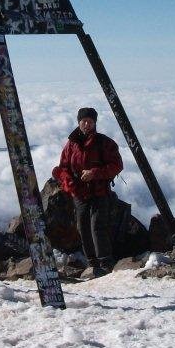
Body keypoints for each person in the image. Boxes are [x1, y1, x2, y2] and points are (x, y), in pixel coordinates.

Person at [52, 107, 123, 278]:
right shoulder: (71, 144)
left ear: (95, 123)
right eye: (83, 121)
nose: (86, 124)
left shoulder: (104, 143)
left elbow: (117, 165)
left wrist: (94, 173)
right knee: (83, 227)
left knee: (98, 226)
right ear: (78, 122)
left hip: (99, 191)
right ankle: (92, 263)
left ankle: (105, 263)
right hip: (79, 192)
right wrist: (69, 182)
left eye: (90, 121)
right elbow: (61, 168)